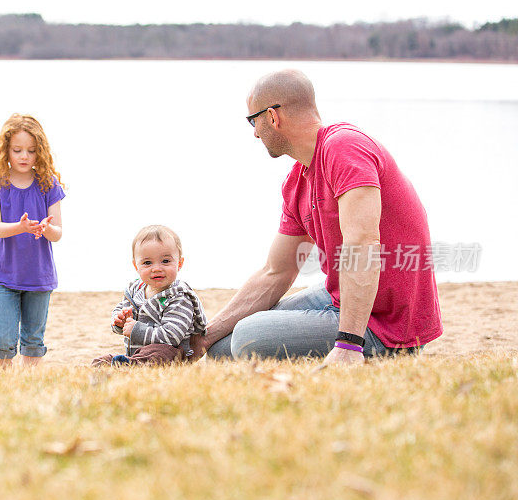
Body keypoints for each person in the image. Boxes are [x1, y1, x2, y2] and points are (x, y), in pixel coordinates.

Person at [189, 69, 442, 365]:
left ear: (273, 117)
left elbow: (362, 246)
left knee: (248, 337)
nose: (255, 133)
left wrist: (349, 345)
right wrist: (203, 338)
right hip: (340, 295)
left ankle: (358, 345)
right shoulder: (296, 181)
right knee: (221, 347)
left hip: (389, 324)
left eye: (253, 121)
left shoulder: (345, 147)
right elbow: (276, 271)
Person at [0, 114, 65, 368]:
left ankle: (29, 388)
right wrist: (21, 226)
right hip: (5, 276)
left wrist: (46, 228)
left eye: (31, 150)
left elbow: (58, 232)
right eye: (17, 150)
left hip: (39, 277)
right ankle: (1, 390)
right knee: (3, 341)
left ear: (41, 152)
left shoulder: (48, 184)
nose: (24, 156)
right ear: (6, 150)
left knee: (33, 341)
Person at [92, 225, 207, 367]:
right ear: (136, 266)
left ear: (180, 263)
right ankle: (121, 364)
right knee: (102, 360)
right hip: (137, 354)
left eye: (165, 261)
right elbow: (120, 309)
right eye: (147, 263)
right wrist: (120, 321)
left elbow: (171, 337)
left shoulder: (179, 297)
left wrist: (136, 330)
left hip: (171, 354)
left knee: (159, 352)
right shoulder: (135, 290)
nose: (157, 268)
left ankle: (128, 365)